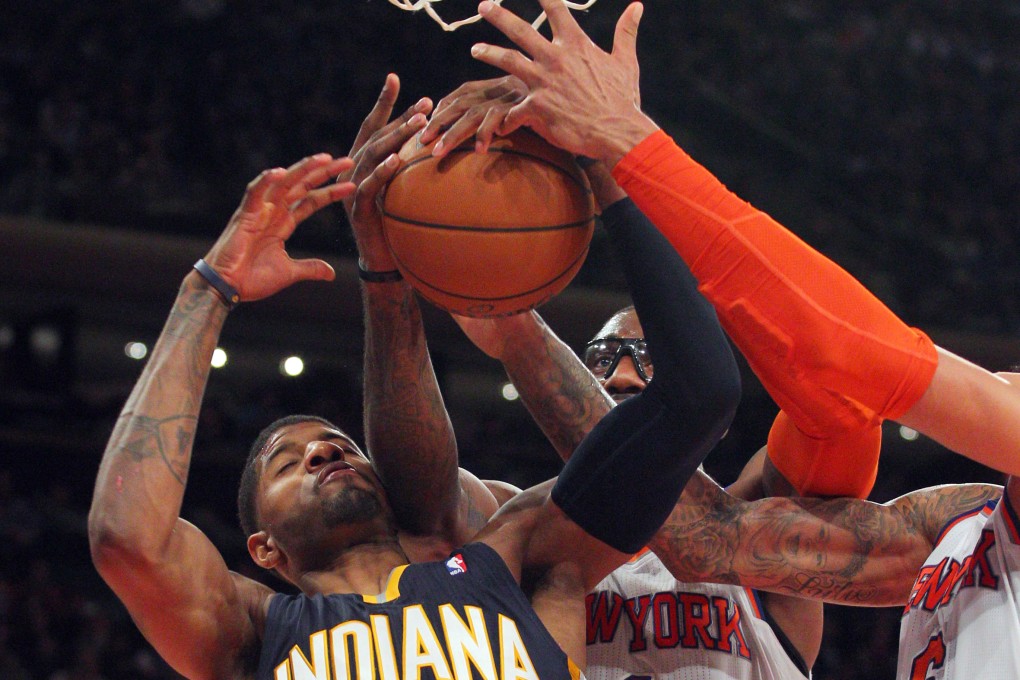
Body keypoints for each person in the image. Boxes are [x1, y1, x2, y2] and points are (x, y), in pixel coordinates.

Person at [86, 75, 742, 679]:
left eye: (341, 445)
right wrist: (208, 290)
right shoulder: (254, 632)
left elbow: (698, 398)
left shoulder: (518, 560)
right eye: (286, 465)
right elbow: (127, 540)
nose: (322, 450)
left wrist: (603, 160)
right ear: (265, 551)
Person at [456, 1, 1020, 676]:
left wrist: (621, 144)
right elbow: (712, 532)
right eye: (607, 358)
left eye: (650, 360)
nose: (631, 375)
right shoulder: (958, 530)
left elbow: (850, 353)